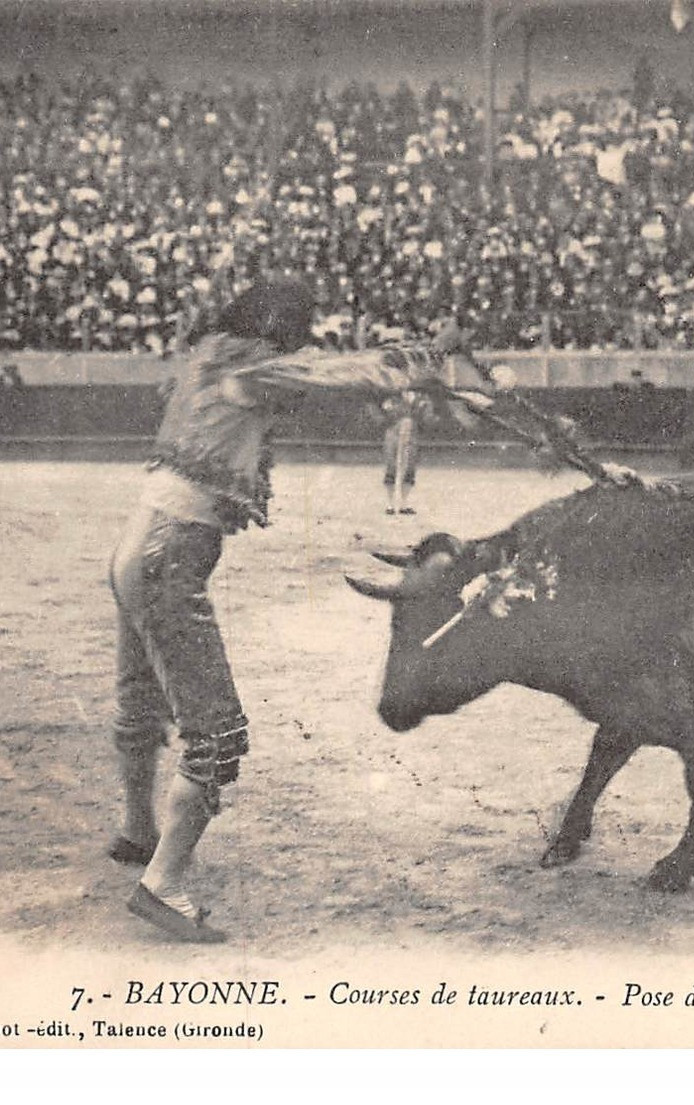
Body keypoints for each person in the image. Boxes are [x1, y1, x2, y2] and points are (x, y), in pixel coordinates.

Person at [107, 280, 334, 943]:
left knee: (140, 696)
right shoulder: (251, 365)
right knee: (217, 731)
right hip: (168, 558)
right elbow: (341, 377)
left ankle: (137, 827)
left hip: (135, 545)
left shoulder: (212, 351)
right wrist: (422, 357)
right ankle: (163, 885)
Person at [379, 387, 433, 514]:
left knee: (409, 466)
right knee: (391, 465)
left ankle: (404, 503)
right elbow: (384, 414)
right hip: (394, 432)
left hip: (411, 433)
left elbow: (427, 418)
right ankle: (390, 504)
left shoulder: (421, 398)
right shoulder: (392, 396)